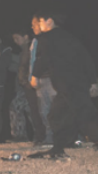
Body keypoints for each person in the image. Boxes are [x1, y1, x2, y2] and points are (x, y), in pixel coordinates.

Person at [29, 10, 98, 158]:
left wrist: (35, 75)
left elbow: (43, 59)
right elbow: (85, 58)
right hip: (74, 82)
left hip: (68, 83)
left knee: (84, 115)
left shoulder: (47, 37)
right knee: (58, 114)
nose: (39, 24)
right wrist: (93, 81)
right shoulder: (69, 36)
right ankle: (59, 147)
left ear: (50, 21)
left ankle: (60, 146)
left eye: (41, 21)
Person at [11, 30, 46, 143]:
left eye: (17, 38)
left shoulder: (30, 48)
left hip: (29, 85)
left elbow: (26, 67)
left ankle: (23, 136)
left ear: (25, 36)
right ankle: (38, 135)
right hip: (27, 85)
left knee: (19, 108)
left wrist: (24, 81)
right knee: (32, 111)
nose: (15, 41)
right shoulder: (24, 50)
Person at [28, 15, 55, 145]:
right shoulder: (35, 41)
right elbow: (33, 61)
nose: (33, 26)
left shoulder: (51, 39)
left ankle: (73, 136)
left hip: (52, 78)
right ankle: (49, 137)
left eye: (36, 23)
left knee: (59, 108)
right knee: (44, 111)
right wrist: (32, 77)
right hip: (40, 79)